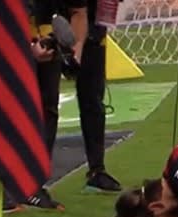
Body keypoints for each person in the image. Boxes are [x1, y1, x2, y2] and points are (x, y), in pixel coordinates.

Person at [4, 0, 89, 212]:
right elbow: (7, 17)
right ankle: (8, 187)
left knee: (48, 110)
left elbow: (79, 11)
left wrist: (74, 50)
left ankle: (34, 184)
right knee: (14, 111)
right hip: (9, 37)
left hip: (45, 40)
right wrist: (29, 48)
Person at [76, 0, 122, 193]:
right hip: (57, 15)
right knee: (45, 101)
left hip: (94, 21)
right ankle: (30, 180)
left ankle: (97, 170)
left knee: (93, 98)